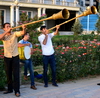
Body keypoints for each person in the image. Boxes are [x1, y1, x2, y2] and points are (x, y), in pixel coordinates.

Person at [0, 23, 26, 97]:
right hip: (7, 57)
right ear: (4, 29)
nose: (9, 27)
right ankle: (9, 89)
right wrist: (6, 31)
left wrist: (23, 28)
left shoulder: (14, 34)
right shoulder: (4, 36)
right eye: (7, 27)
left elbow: (22, 33)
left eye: (9, 26)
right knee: (8, 74)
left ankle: (17, 91)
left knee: (16, 74)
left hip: (15, 56)